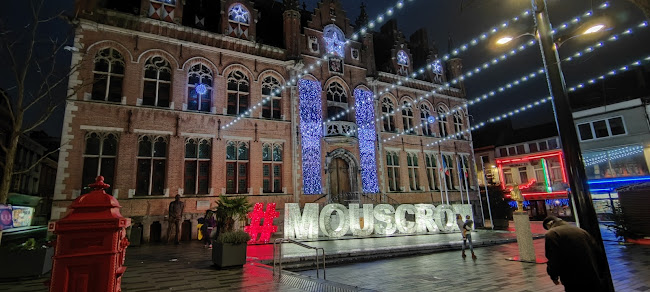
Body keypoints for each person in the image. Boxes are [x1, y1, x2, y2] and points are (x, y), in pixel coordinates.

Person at [543, 216, 607, 291]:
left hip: (572, 276)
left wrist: (553, 275)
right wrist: (601, 272)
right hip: (592, 273)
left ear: (549, 224)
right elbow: (597, 251)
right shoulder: (580, 230)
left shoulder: (552, 234)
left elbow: (553, 258)